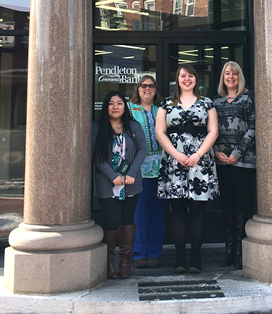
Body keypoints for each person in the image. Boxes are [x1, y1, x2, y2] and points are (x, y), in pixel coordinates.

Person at [156, 64, 219, 274]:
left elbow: (213, 131)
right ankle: (180, 258)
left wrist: (198, 155)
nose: (187, 79)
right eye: (183, 75)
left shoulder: (207, 103)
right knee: (178, 211)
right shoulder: (166, 104)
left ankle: (196, 257)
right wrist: (178, 155)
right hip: (175, 162)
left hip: (200, 162)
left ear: (196, 79)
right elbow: (160, 132)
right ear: (177, 79)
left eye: (191, 75)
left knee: (198, 209)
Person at [92, 91, 147, 279]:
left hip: (131, 184)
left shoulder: (133, 126)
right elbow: (97, 156)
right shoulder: (97, 128)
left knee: (127, 221)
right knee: (112, 221)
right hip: (108, 184)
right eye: (111, 103)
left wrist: (131, 173)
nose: (115, 107)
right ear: (105, 107)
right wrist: (112, 175)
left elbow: (142, 149)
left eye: (119, 103)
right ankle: (109, 262)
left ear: (125, 107)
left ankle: (124, 261)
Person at [213, 61, 256, 269]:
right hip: (221, 162)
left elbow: (254, 128)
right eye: (227, 74)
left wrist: (237, 154)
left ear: (240, 77)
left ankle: (240, 251)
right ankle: (228, 250)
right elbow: (210, 130)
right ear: (223, 77)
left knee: (241, 206)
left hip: (244, 162)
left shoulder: (249, 98)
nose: (231, 77)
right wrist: (216, 153)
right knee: (226, 206)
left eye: (235, 74)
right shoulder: (216, 102)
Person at [127, 75, 165, 268]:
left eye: (151, 86)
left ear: (156, 90)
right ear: (138, 89)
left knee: (158, 212)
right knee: (139, 212)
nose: (147, 89)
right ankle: (138, 253)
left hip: (161, 168)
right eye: (144, 85)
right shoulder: (129, 110)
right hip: (138, 168)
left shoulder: (162, 110)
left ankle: (153, 252)